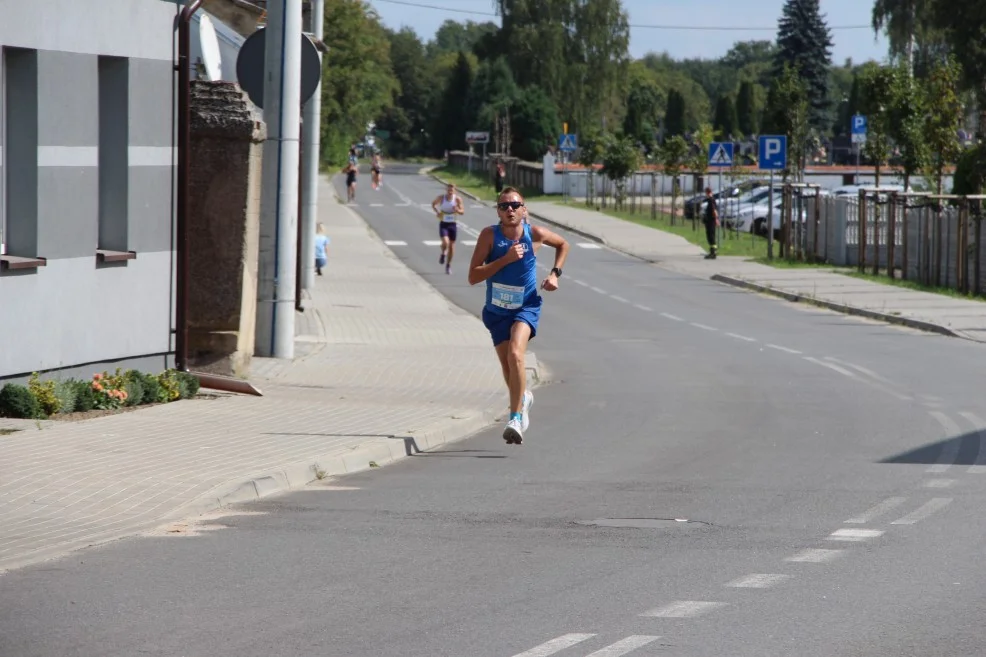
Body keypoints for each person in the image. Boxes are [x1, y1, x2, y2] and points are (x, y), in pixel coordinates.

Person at [467, 186, 569, 445]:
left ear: (524, 209)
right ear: (498, 212)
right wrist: (506, 259)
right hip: (496, 310)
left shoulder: (534, 234)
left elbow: (563, 244)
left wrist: (555, 274)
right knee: (506, 366)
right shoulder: (489, 236)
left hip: (526, 306)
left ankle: (514, 417)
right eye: (504, 206)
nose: (510, 209)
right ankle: (523, 398)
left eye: (515, 205)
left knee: (516, 354)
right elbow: (473, 276)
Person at [431, 182, 465, 275]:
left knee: (452, 246)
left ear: (455, 191)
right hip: (443, 224)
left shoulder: (457, 199)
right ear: (446, 190)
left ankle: (448, 265)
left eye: (452, 190)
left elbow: (462, 211)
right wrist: (437, 212)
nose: (450, 192)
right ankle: (443, 253)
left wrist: (457, 210)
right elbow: (433, 204)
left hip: (452, 224)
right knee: (445, 242)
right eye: (448, 190)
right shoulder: (441, 198)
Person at [702, 186, 719, 259]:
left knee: (711, 237)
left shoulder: (711, 200)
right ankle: (712, 252)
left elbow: (714, 211)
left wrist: (716, 219)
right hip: (710, 221)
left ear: (707, 192)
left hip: (710, 221)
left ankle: (713, 253)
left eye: (706, 192)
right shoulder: (711, 200)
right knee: (710, 236)